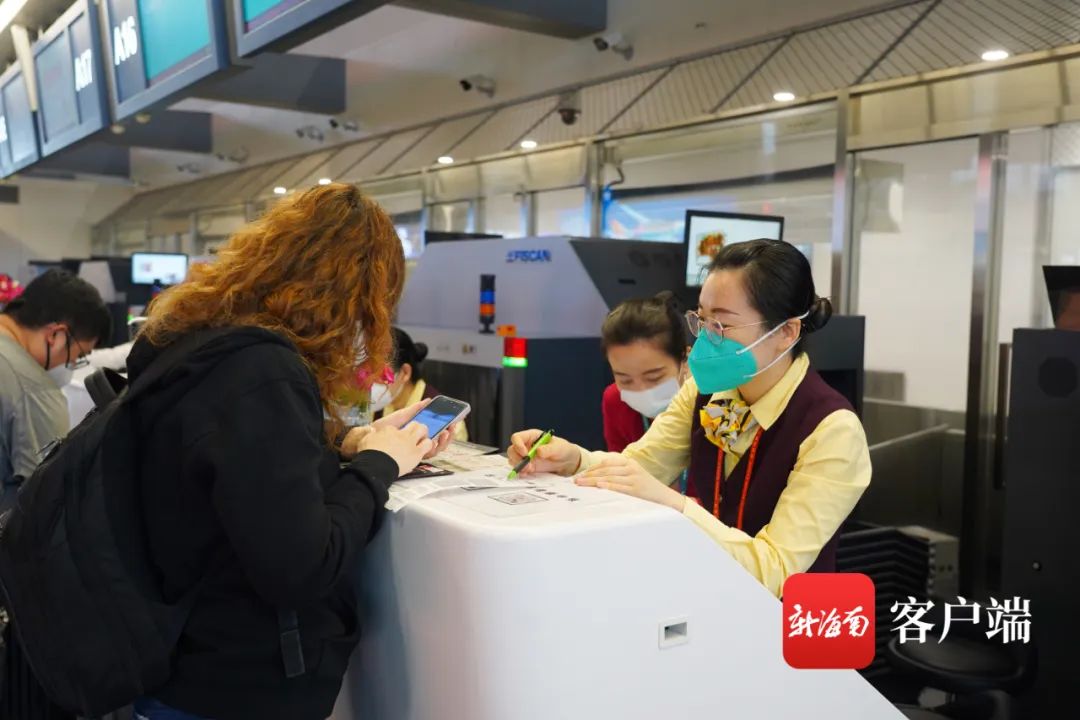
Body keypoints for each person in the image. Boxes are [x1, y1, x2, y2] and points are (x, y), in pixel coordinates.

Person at [127, 183, 455, 720]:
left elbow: (234, 460)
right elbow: (303, 567)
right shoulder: (262, 372)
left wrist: (347, 441)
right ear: (354, 293)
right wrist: (379, 466)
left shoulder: (200, 343)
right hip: (231, 686)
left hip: (183, 661)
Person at [509, 239, 871, 597]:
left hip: (797, 620)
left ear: (786, 332)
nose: (705, 342)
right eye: (702, 320)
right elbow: (640, 466)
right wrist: (572, 460)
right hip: (715, 595)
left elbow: (776, 570)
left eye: (722, 326)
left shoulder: (832, 430)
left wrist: (675, 504)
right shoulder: (704, 392)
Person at [0, 268, 110, 720]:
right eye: (77, 355)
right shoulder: (32, 388)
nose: (71, 366)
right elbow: (46, 503)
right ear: (56, 334)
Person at [600, 291, 688, 453]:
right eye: (625, 380)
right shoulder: (614, 401)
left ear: (685, 359)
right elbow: (619, 462)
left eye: (654, 377)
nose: (641, 390)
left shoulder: (713, 400)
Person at [372, 326, 469, 442]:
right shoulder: (376, 408)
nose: (370, 383)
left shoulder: (448, 421)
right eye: (366, 374)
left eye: (379, 375)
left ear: (405, 372)